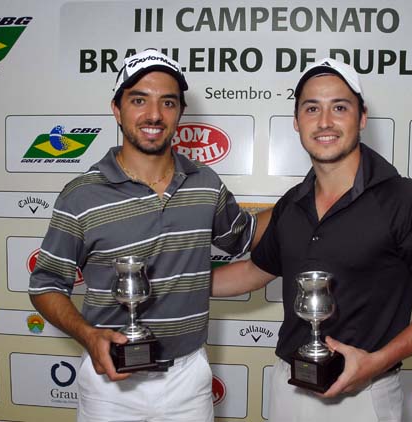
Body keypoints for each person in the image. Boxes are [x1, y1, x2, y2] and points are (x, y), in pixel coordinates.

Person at [212, 58, 412, 421]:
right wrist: (178, 282)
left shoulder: (405, 200)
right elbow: (258, 270)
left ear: (361, 117)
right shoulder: (292, 203)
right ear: (297, 122)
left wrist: (376, 362)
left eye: (340, 107)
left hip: (363, 393)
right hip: (288, 385)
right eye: (312, 108)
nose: (324, 122)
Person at [29, 49, 264, 422]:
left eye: (167, 102)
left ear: (179, 113)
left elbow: (246, 236)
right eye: (139, 100)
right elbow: (45, 284)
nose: (154, 115)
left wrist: (309, 195)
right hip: (111, 384)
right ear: (117, 109)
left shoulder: (205, 184)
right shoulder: (81, 195)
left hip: (188, 378)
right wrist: (89, 337)